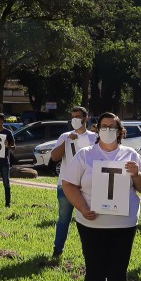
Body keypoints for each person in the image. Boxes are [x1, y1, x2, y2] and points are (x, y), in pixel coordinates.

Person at [62, 112, 141, 281]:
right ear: (97, 129)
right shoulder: (85, 154)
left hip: (124, 224)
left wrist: (137, 174)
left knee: (118, 273)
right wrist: (83, 208)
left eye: (113, 127)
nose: (108, 130)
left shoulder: (131, 154)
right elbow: (68, 184)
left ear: (120, 131)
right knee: (94, 271)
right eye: (104, 126)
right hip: (92, 223)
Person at [49, 106, 97, 259]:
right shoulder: (65, 136)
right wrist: (67, 141)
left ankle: (89, 252)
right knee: (64, 218)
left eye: (78, 116)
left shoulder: (94, 137)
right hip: (66, 185)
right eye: (73, 117)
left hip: (88, 186)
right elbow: (54, 157)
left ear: (86, 118)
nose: (75, 119)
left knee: (88, 220)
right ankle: (57, 250)